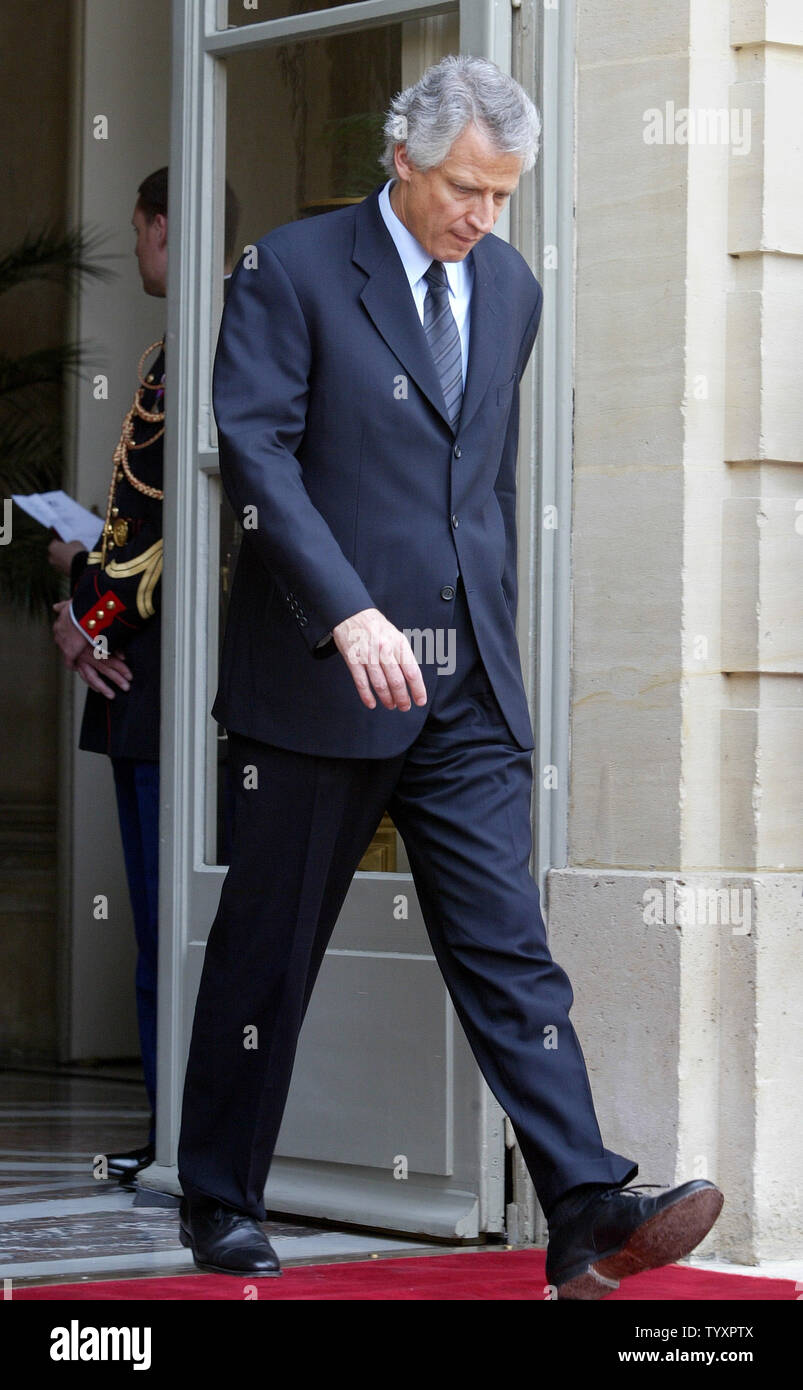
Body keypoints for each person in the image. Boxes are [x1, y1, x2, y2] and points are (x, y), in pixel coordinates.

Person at [176, 56, 723, 1298]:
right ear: (400, 156)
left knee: (506, 944)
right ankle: (217, 1196)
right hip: (322, 676)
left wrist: (498, 650)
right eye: (465, 188)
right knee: (269, 955)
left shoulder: (510, 287)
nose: (481, 217)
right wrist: (345, 611)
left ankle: (583, 1201)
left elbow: (482, 489)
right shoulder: (293, 270)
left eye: (502, 195)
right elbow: (254, 453)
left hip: (462, 683)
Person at [50, 167, 168, 1184]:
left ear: (161, 230)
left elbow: (155, 539)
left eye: (136, 231)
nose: (135, 249)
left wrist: (82, 619)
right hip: (161, 683)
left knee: (164, 927)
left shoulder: (191, 354)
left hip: (157, 686)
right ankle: (178, 1129)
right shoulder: (172, 352)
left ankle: (183, 1134)